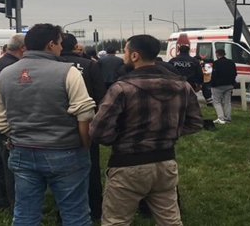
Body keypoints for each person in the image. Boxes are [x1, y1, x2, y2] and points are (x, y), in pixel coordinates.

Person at [89, 35, 204, 226]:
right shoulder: (182, 86)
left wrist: (117, 139)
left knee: (116, 221)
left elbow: (98, 130)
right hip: (165, 162)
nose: (123, 56)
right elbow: (195, 122)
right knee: (170, 221)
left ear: (134, 55)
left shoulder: (122, 88)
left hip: (128, 163)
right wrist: (169, 133)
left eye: (125, 51)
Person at [0, 23, 95, 226]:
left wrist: (17, 137)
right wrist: (85, 143)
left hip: (22, 151)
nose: (60, 47)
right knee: (75, 214)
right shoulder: (68, 72)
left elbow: (0, 119)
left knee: (24, 214)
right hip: (66, 150)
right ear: (51, 44)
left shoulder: (5, 73)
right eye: (59, 43)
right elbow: (85, 113)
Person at [61, 33, 107, 221]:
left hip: (59, 125)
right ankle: (95, 207)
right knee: (91, 166)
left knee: (62, 171)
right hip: (87, 121)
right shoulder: (89, 65)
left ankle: (63, 209)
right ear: (75, 47)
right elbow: (101, 95)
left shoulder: (53, 66)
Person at [0, 33, 26, 211]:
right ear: (22, 48)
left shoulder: (0, 62)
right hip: (3, 119)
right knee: (9, 164)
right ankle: (13, 202)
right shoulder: (11, 66)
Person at [210, 48, 237, 124]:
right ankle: (228, 118)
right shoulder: (231, 62)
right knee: (227, 102)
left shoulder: (216, 63)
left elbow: (214, 75)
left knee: (217, 102)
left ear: (217, 54)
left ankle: (221, 118)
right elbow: (235, 73)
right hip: (229, 85)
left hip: (218, 85)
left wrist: (212, 84)